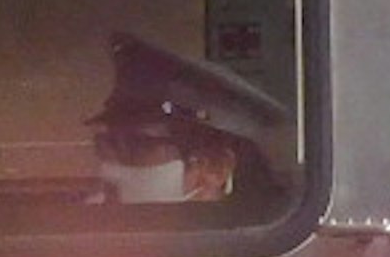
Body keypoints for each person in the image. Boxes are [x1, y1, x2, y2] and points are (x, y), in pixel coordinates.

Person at [85, 32, 293, 219]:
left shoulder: (261, 251)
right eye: (105, 145)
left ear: (215, 167)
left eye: (137, 147)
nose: (108, 171)